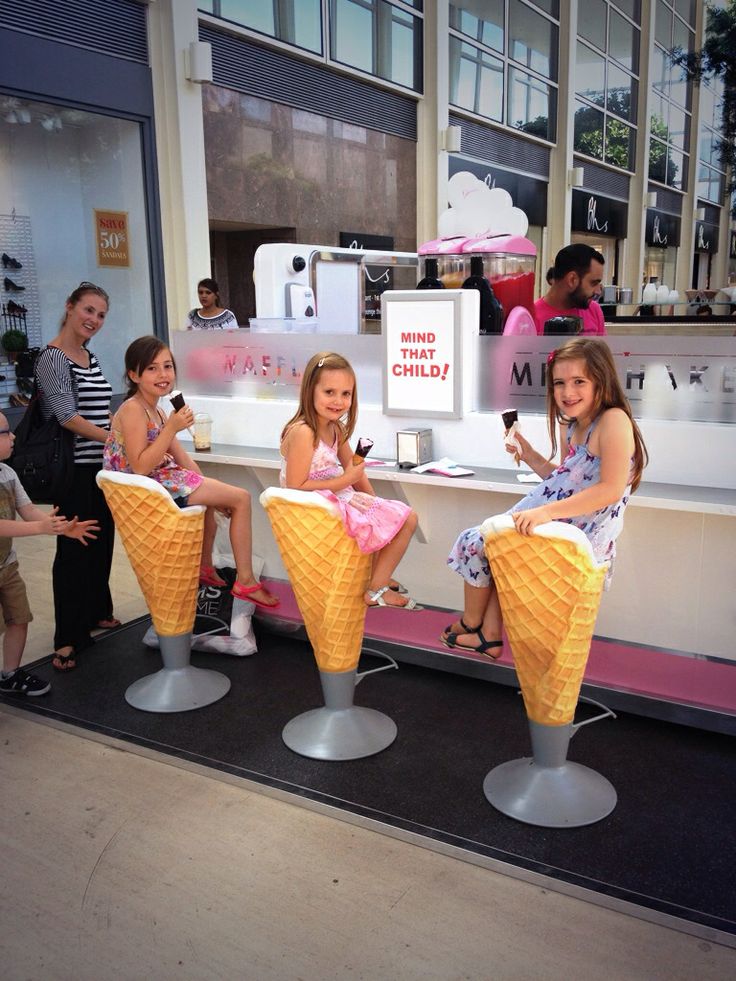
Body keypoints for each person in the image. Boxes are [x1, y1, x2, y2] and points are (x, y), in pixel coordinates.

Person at [443, 337, 647, 657]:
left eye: (579, 381)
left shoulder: (613, 420)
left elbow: (610, 488)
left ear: (601, 380)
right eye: (559, 383)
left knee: (476, 540)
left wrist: (544, 513)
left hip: (579, 541)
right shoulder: (576, 426)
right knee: (496, 548)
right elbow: (564, 481)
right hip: (561, 525)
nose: (568, 392)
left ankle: (472, 624)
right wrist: (529, 453)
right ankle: (490, 635)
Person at [104, 336, 279, 609]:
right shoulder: (133, 410)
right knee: (242, 498)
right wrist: (172, 428)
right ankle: (245, 580)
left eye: (167, 366)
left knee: (221, 500)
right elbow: (139, 466)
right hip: (144, 490)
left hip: (160, 482)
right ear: (133, 374)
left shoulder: (159, 412)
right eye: (152, 368)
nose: (163, 375)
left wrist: (214, 493)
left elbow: (185, 462)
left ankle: (204, 566)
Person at [280, 352, 420, 611]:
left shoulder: (335, 428)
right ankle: (377, 587)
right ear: (311, 390)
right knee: (400, 519)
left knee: (399, 519)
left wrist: (375, 500)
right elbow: (295, 487)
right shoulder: (303, 431)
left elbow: (355, 472)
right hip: (314, 508)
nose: (338, 401)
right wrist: (347, 479)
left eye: (346, 394)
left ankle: (378, 579)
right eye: (330, 392)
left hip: (336, 497)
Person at [34, 282, 118, 672]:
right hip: (73, 470)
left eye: (100, 315)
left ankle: (98, 611)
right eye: (88, 310)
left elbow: (100, 407)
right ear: (69, 307)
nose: (93, 320)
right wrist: (114, 438)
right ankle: (67, 636)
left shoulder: (90, 356)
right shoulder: (52, 359)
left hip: (101, 468)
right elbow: (66, 416)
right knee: (73, 547)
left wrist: (116, 431)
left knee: (100, 542)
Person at [0, 411, 100, 695]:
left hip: (7, 566)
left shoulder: (8, 473)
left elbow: (27, 509)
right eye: (6, 433)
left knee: (18, 618)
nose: (14, 437)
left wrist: (58, 526)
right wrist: (41, 528)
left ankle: (10, 674)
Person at [534, 244, 606, 336]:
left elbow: (602, 350)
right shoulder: (532, 318)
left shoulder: (594, 310)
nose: (598, 291)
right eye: (593, 283)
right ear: (572, 280)